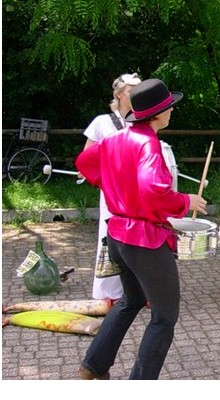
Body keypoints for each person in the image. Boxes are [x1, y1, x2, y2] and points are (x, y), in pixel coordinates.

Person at [75, 78, 207, 380]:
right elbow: (153, 190)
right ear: (158, 114)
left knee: (131, 300)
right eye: (170, 107)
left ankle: (92, 366)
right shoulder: (148, 143)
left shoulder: (116, 138)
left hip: (118, 236)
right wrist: (186, 199)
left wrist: (113, 184)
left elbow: (84, 162)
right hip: (143, 240)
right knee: (164, 317)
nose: (172, 111)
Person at [81, 73, 142, 302]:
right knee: (110, 237)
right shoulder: (102, 122)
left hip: (138, 191)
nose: (135, 94)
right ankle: (109, 292)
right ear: (119, 94)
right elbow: (87, 157)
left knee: (137, 237)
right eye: (130, 90)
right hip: (112, 191)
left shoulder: (142, 121)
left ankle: (137, 290)